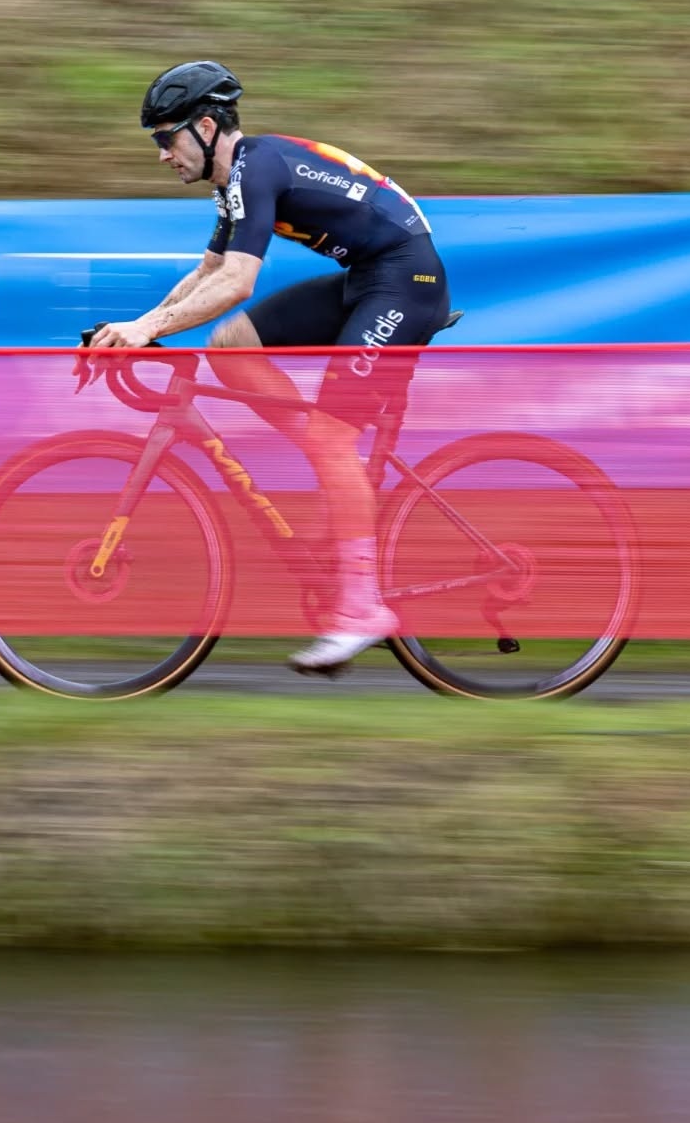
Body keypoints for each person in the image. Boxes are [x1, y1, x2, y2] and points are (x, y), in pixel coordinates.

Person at [90, 59, 452, 675]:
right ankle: (333, 469)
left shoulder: (255, 168)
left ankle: (362, 607)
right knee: (233, 344)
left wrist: (148, 329)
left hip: (406, 282)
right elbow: (208, 273)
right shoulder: (237, 179)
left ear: (205, 128)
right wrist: (135, 324)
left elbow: (238, 280)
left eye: (165, 138)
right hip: (369, 278)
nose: (161, 154)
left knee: (329, 435)